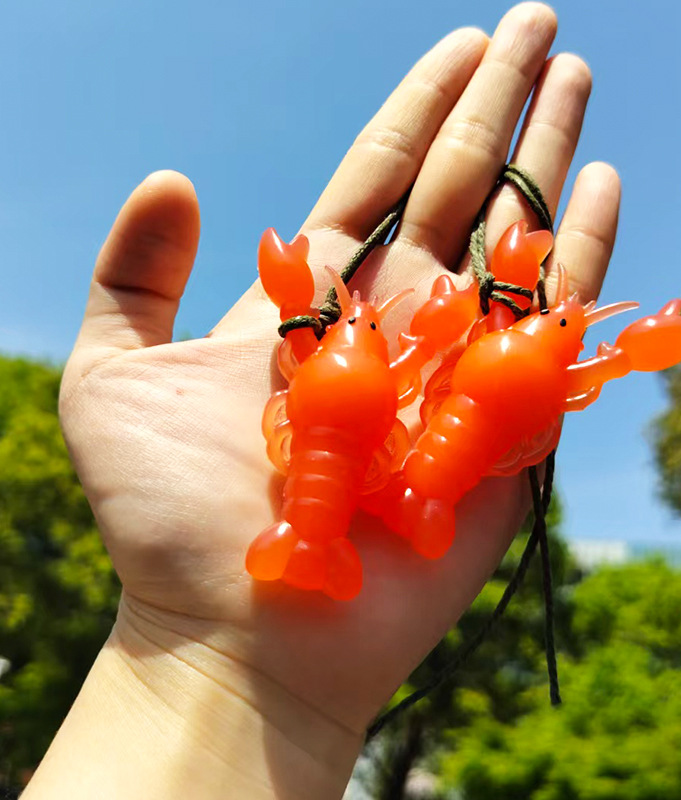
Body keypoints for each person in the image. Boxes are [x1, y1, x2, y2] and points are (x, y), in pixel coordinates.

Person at [22, 4, 619, 798]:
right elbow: (427, 373)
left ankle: (351, 521)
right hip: (384, 469)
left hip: (365, 461)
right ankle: (352, 525)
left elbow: (370, 383)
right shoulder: (410, 369)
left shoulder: (325, 358)